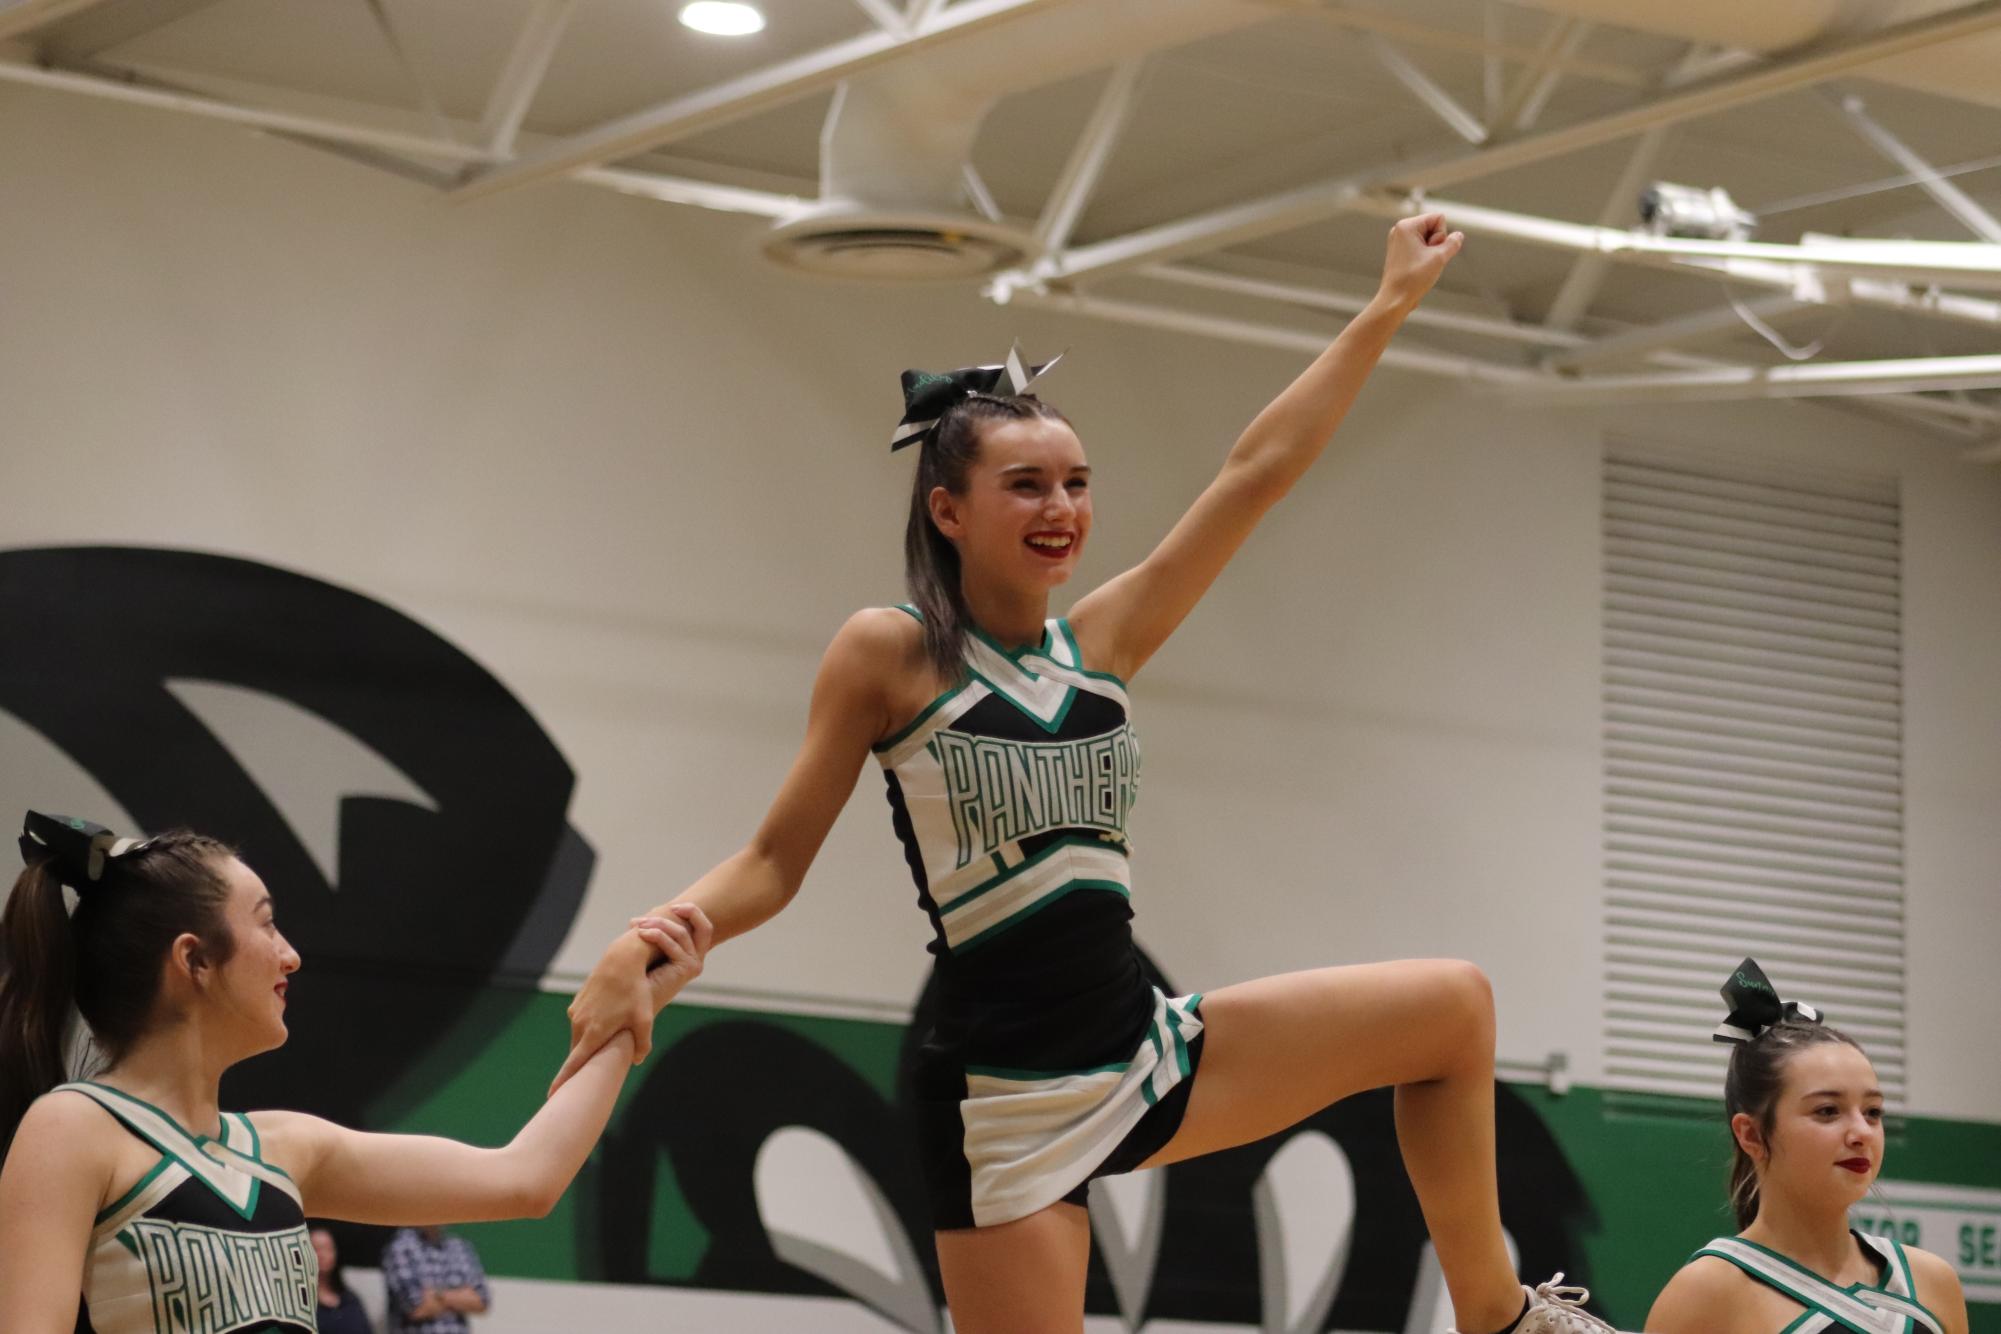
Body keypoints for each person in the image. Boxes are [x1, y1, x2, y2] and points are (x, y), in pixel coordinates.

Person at [561, 213, 1610, 1334]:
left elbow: (1255, 475)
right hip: (1000, 1099)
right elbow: (773, 860)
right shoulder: (891, 651)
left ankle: (1500, 1317)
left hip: (1141, 1043)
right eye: (1026, 485)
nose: (1061, 510)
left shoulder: (1101, 643)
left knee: (1452, 1009)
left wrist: (1388, 303)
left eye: (1076, 482)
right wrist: (647, 940)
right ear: (948, 509)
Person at [0, 811, 709, 1334]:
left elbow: (526, 1177)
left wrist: (632, 1009)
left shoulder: (285, 1149)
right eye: (267, 923)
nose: (291, 955)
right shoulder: (73, 1128)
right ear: (195, 961)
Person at [1645, 959, 1968, 1334]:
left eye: (1873, 1111)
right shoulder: (1707, 1292)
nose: (1861, 1132)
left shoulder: (1933, 1282)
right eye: (1827, 1111)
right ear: (1750, 1135)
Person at [380, 1224, 489, 1334]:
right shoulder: (400, 1247)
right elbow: (416, 1306)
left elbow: (481, 1300)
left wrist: (437, 1295)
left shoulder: (460, 1246)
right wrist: (460, 1296)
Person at [311, 1225, 375, 1334]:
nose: (322, 1255)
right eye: (316, 1249)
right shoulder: (301, 1303)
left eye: (328, 1249)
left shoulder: (350, 1300)